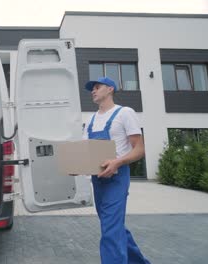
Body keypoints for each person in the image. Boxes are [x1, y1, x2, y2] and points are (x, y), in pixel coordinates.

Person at [84, 77, 150, 264]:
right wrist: (76, 166)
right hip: (97, 179)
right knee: (113, 226)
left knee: (111, 231)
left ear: (110, 89)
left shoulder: (124, 113)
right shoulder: (91, 119)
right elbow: (85, 150)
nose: (93, 91)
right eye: (92, 89)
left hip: (117, 177)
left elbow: (139, 149)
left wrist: (117, 162)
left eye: (97, 87)